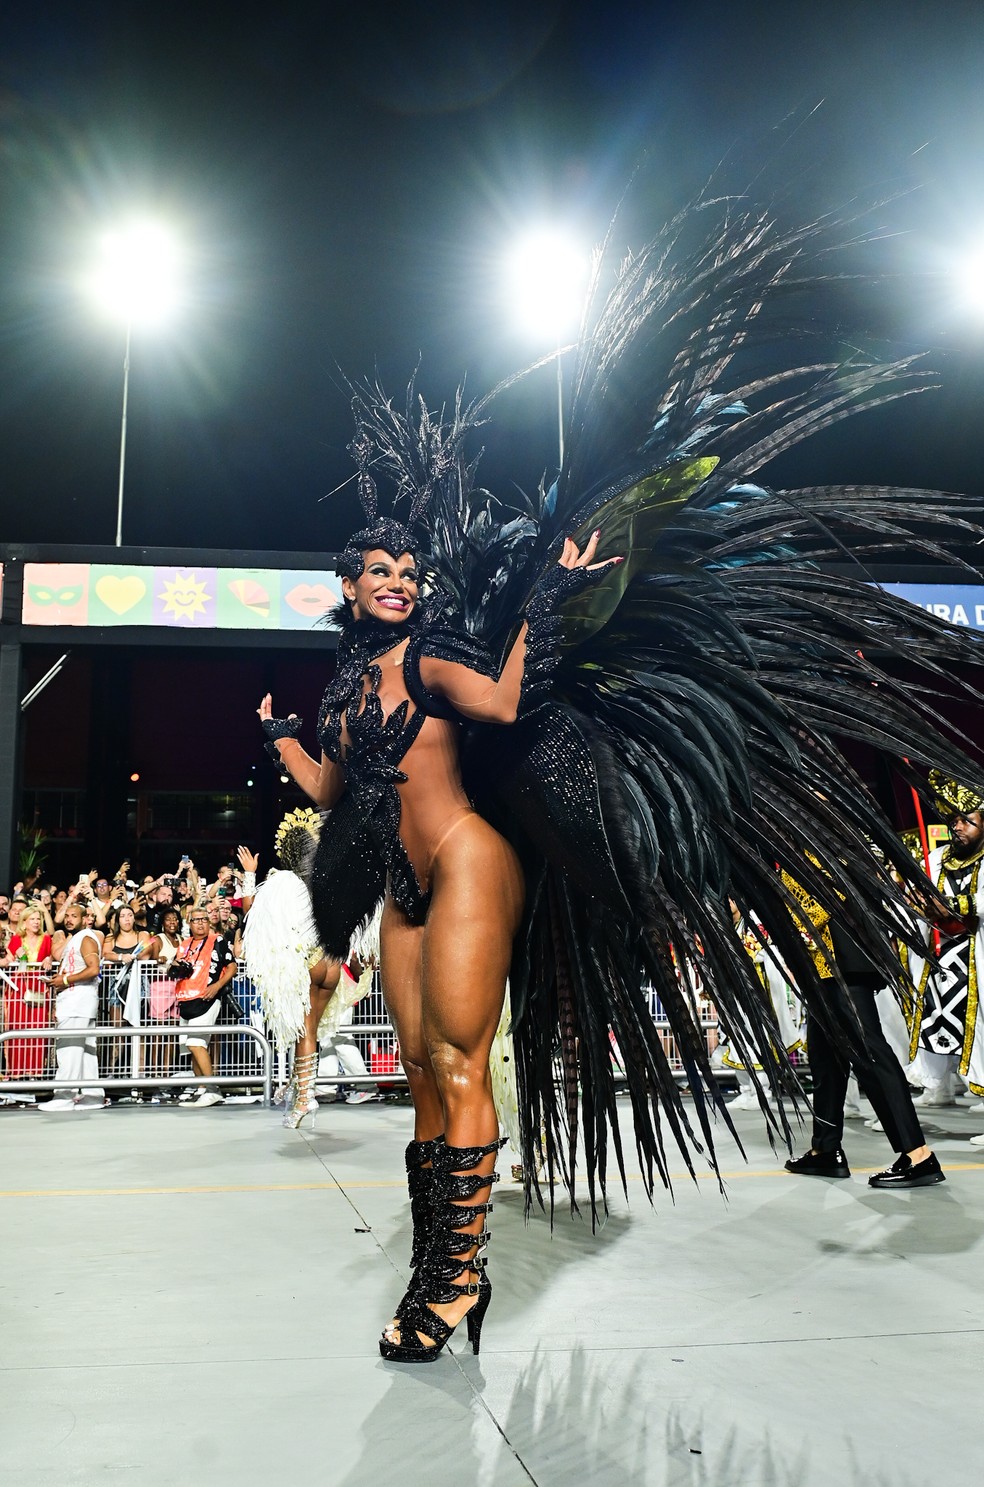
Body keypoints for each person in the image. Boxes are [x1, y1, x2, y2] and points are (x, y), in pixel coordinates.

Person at [260, 193, 984, 1359]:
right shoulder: (346, 688)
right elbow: (331, 794)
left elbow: (506, 701)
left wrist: (550, 589)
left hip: (465, 860)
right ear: (346, 589)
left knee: (461, 1058)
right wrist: (278, 739)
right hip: (396, 881)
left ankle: (452, 1278)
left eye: (407, 569)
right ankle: (442, 1261)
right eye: (377, 570)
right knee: (423, 1076)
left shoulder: (437, 658)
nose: (395, 579)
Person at [904, 777, 984, 1138]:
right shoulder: (937, 859)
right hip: (942, 962)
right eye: (954, 820)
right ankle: (938, 1088)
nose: (958, 826)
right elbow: (917, 898)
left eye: (968, 821)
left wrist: (951, 905)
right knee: (938, 1026)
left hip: (977, 958)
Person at [41, 901, 105, 1111]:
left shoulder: (86, 938)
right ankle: (93, 1097)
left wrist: (65, 980)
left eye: (74, 916)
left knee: (68, 1050)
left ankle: (64, 1097)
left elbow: (94, 969)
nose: (68, 920)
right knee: (86, 1052)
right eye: (67, 916)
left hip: (78, 1002)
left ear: (85, 918)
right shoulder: (76, 939)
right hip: (76, 1001)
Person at [173, 909, 237, 1107]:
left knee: (196, 1044)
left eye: (204, 919)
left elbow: (232, 966)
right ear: (189, 923)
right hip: (185, 999)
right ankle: (201, 1088)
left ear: (209, 922)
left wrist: (217, 986)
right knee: (192, 1047)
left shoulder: (217, 940)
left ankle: (212, 1089)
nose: (200, 923)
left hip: (207, 998)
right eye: (196, 920)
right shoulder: (184, 944)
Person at [2, 904, 52, 1083]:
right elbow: (8, 961)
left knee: (38, 1026)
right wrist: (12, 959)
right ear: (24, 922)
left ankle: (35, 1072)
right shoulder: (16, 939)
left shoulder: (46, 939)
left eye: (38, 919)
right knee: (17, 1027)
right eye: (32, 919)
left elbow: (50, 956)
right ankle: (16, 1072)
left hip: (38, 985)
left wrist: (49, 959)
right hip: (18, 987)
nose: (36, 922)